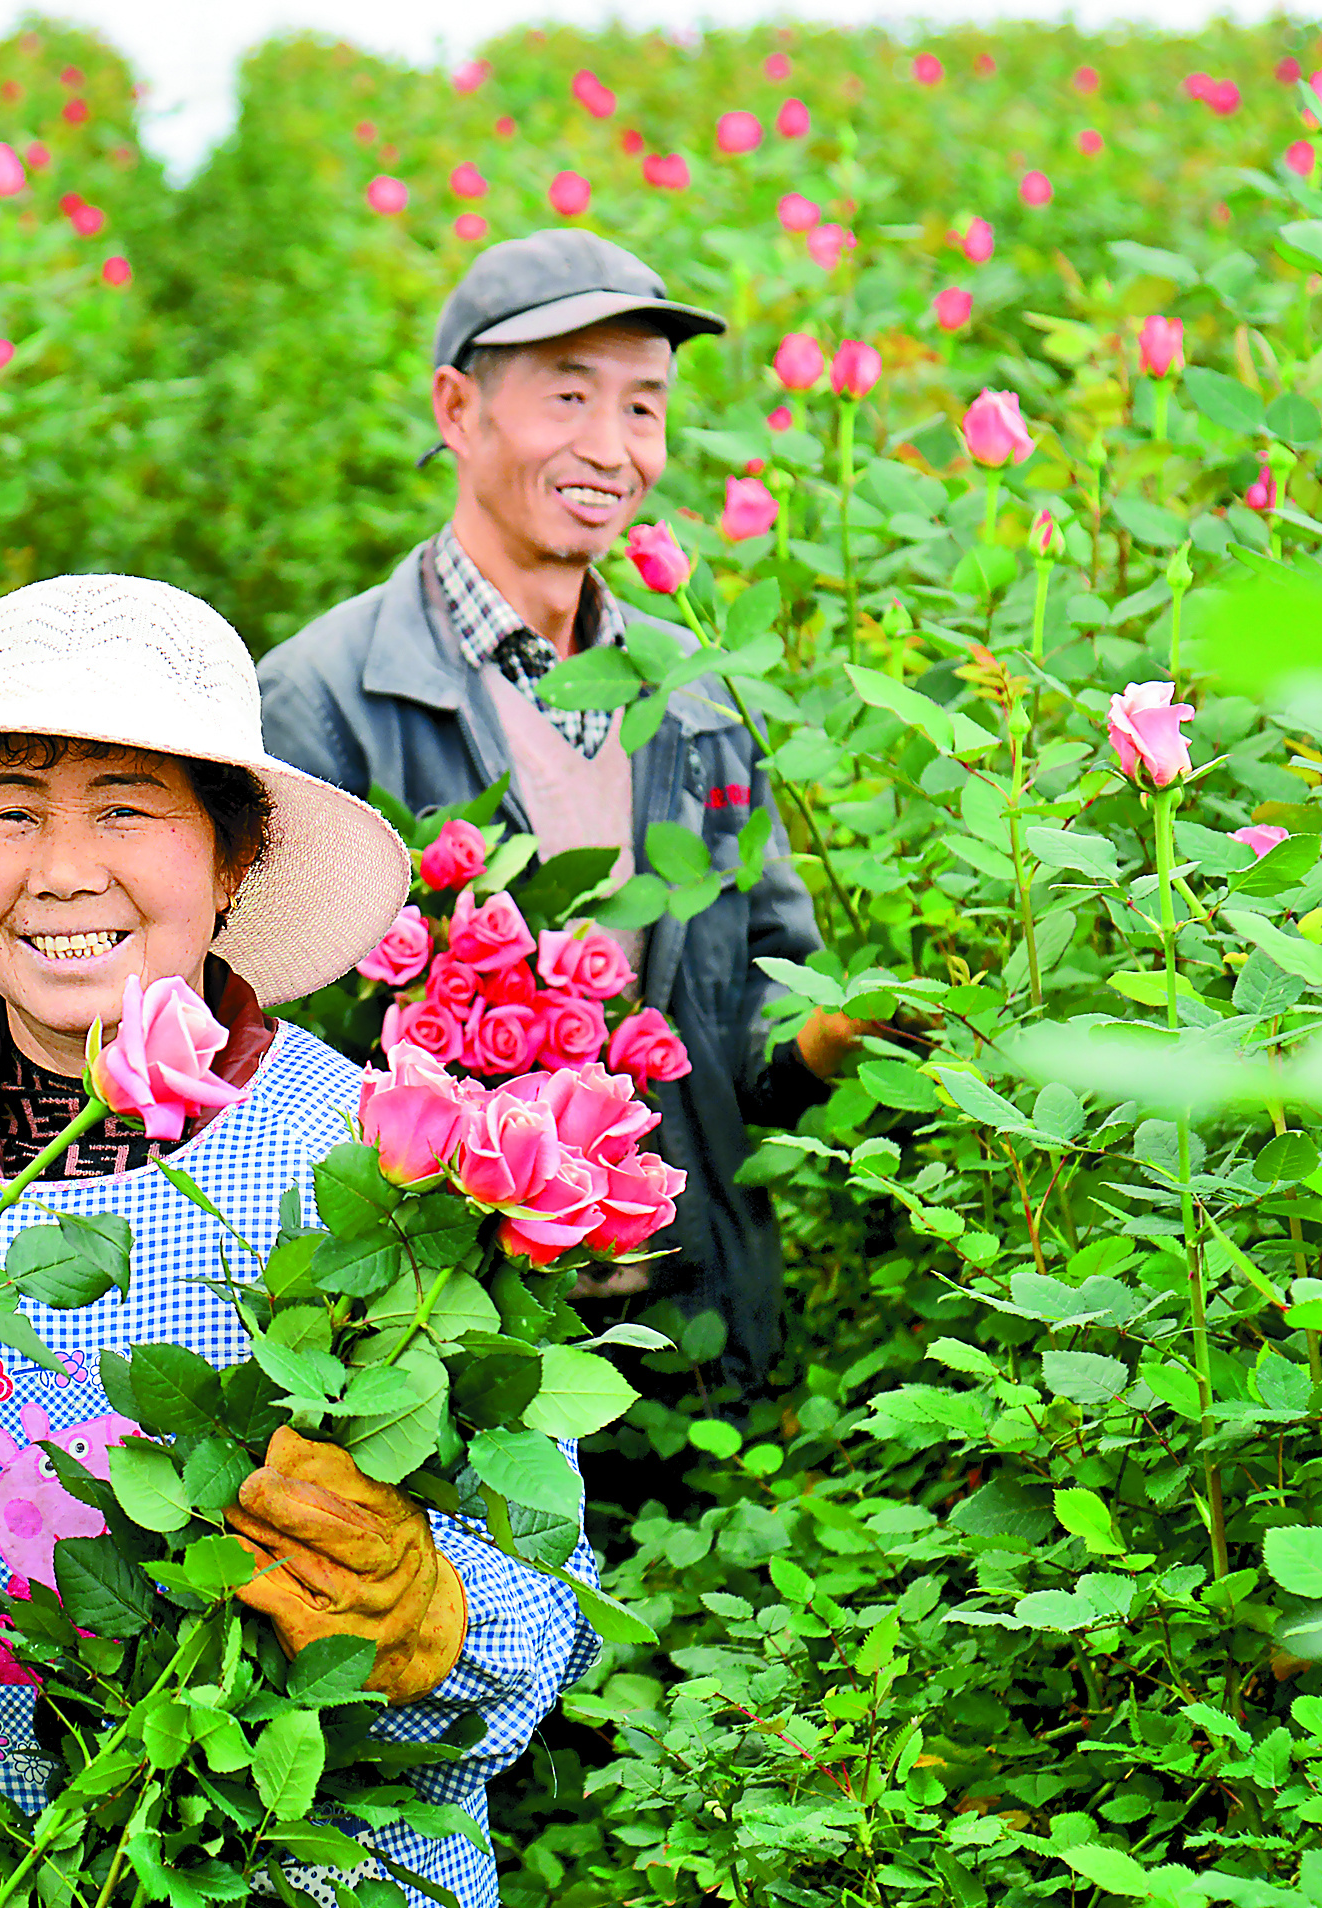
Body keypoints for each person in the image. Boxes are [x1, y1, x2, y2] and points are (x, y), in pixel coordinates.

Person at [0, 575, 598, 1902]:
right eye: (7, 813)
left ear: (232, 857)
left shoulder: (381, 1163)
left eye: (125, 809)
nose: (60, 871)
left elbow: (558, 1602)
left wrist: (434, 1608)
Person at [256, 229, 885, 1430]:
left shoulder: (697, 701)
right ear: (458, 408)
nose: (612, 448)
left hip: (691, 1343)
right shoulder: (322, 701)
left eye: (643, 407)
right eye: (568, 397)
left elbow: (748, 1040)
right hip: (437, 1357)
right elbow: (276, 1076)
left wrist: (845, 1031)